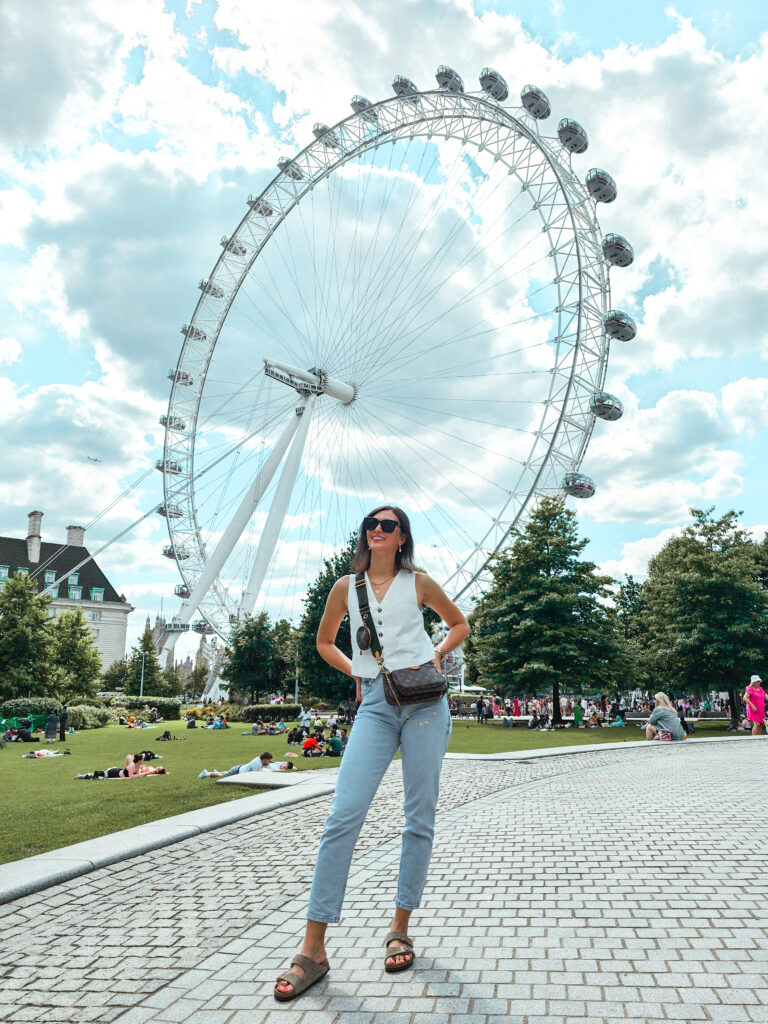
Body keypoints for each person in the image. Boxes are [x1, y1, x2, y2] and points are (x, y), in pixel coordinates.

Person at [274, 504, 469, 1002]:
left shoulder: (419, 583)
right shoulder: (346, 587)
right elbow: (323, 642)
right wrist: (359, 674)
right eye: (371, 525)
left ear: (402, 537)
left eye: (388, 526)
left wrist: (437, 656)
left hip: (426, 703)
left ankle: (399, 925)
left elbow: (458, 624)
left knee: (418, 816)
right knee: (342, 815)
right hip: (377, 706)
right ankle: (313, 948)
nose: (376, 531)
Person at [199, 752, 294, 778]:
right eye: (269, 761)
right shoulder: (257, 764)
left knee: (227, 772)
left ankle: (215, 772)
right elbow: (255, 775)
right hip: (239, 771)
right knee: (222, 776)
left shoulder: (259, 760)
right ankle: (206, 773)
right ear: (264, 760)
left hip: (240, 767)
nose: (269, 762)